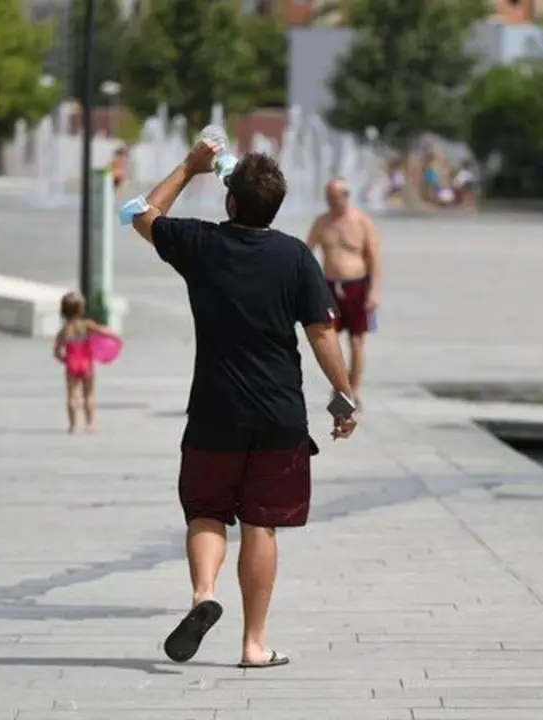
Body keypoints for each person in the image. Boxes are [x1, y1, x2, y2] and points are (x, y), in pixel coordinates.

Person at [128, 139, 358, 670]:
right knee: (261, 524)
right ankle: (254, 644)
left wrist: (190, 166)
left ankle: (204, 595)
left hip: (214, 410)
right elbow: (323, 334)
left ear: (230, 202)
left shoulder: (200, 244)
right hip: (279, 416)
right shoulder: (295, 255)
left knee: (206, 511)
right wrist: (344, 397)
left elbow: (143, 214)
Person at [306, 178, 382, 407]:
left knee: (357, 340)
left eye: (336, 198)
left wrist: (374, 291)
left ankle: (354, 389)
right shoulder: (321, 222)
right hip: (329, 287)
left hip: (357, 285)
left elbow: (374, 259)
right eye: (328, 198)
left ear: (346, 197)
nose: (332, 203)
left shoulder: (361, 222)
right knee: (329, 340)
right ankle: (341, 387)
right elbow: (307, 254)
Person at [53, 291, 121, 434]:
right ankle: (90, 424)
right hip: (86, 363)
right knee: (89, 394)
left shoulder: (64, 330)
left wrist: (64, 360)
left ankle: (73, 425)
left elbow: (57, 351)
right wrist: (117, 338)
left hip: (72, 363)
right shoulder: (87, 325)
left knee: (72, 394)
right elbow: (106, 332)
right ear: (81, 309)